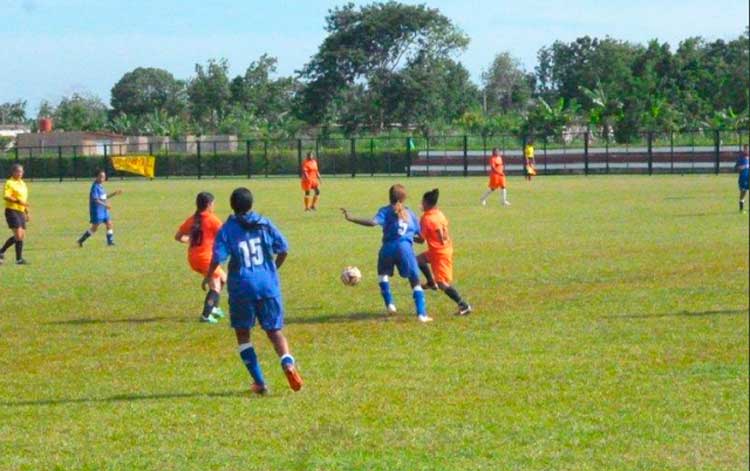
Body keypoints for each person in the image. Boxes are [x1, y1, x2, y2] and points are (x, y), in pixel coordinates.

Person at [203, 187, 302, 394]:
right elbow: (283, 249)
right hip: (267, 285)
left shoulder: (228, 229)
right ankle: (287, 363)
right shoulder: (264, 223)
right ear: (251, 204)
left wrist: (208, 276)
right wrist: (273, 268)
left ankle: (260, 382)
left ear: (232, 205)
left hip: (242, 288)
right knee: (275, 332)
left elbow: (218, 257)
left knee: (243, 334)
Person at [341, 184, 433, 323]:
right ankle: (421, 314)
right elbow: (421, 239)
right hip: (405, 249)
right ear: (404, 198)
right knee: (415, 281)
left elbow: (372, 223)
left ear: (389, 196)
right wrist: (408, 237)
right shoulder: (411, 213)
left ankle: (390, 304)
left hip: (387, 248)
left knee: (382, 276)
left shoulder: (385, 211)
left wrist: (351, 217)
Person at [415, 189, 472, 316]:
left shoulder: (426, 218)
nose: (421, 204)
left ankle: (464, 305)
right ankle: (430, 282)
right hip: (442, 249)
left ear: (427, 203)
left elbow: (420, 240)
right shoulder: (439, 213)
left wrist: (408, 236)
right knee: (418, 260)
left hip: (439, 253)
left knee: (442, 284)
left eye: (422, 202)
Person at [175, 192, 227, 324]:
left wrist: (191, 240)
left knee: (223, 278)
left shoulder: (192, 219)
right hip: (206, 258)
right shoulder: (212, 219)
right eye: (213, 203)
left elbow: (178, 236)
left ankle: (214, 309)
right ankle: (206, 315)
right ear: (209, 204)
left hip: (193, 258)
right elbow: (224, 236)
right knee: (215, 286)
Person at [77, 169, 122, 247]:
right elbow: (95, 199)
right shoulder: (94, 187)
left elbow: (104, 197)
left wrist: (114, 194)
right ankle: (81, 240)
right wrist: (106, 205)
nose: (102, 178)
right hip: (97, 211)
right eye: (101, 177)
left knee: (109, 224)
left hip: (104, 210)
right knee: (94, 228)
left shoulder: (101, 186)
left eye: (104, 177)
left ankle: (110, 242)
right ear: (96, 177)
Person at [1, 163, 30, 265]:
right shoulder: (9, 182)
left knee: (20, 236)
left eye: (21, 171)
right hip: (11, 210)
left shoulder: (22, 183)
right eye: (17, 171)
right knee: (18, 234)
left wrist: (26, 212)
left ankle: (1, 251)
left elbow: (24, 200)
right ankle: (19, 259)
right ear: (13, 172)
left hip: (21, 211)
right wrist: (18, 201)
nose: (20, 173)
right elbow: (6, 196)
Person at [736, 144, 749, 213]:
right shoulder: (740, 158)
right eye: (745, 149)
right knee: (743, 192)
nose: (747, 150)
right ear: (743, 149)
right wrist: (744, 166)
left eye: (747, 149)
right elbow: (736, 168)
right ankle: (741, 209)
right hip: (743, 178)